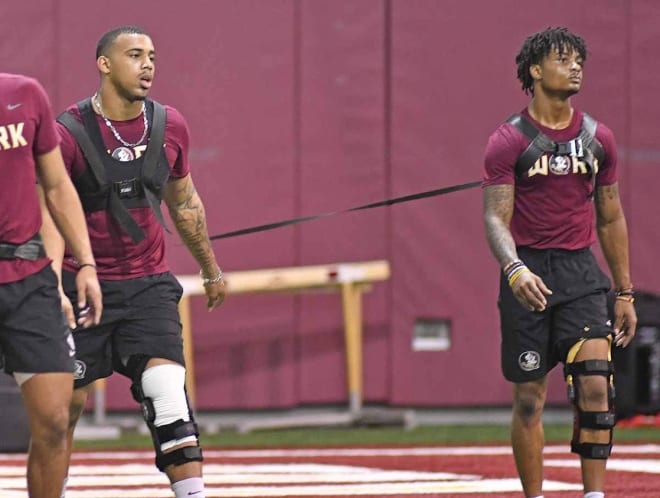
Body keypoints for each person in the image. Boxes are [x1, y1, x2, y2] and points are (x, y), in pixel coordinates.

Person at [40, 26, 226, 498]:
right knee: (61, 413)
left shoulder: (169, 126)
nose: (148, 65)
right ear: (104, 64)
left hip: (148, 287)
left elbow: (185, 203)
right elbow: (52, 217)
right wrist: (50, 290)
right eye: (135, 55)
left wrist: (211, 268)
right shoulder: (68, 133)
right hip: (83, 290)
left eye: (153, 57)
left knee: (168, 392)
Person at [482, 27, 637, 498]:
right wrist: (514, 269)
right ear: (535, 70)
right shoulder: (508, 141)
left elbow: (610, 216)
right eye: (563, 60)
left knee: (595, 387)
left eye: (579, 62)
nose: (575, 68)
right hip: (527, 276)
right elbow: (495, 218)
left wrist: (624, 291)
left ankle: (594, 495)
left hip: (581, 274)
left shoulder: (597, 138)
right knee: (529, 402)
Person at [0, 72, 102, 498]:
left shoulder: (24, 94)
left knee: (56, 421)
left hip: (29, 280)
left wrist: (87, 265)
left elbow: (57, 185)